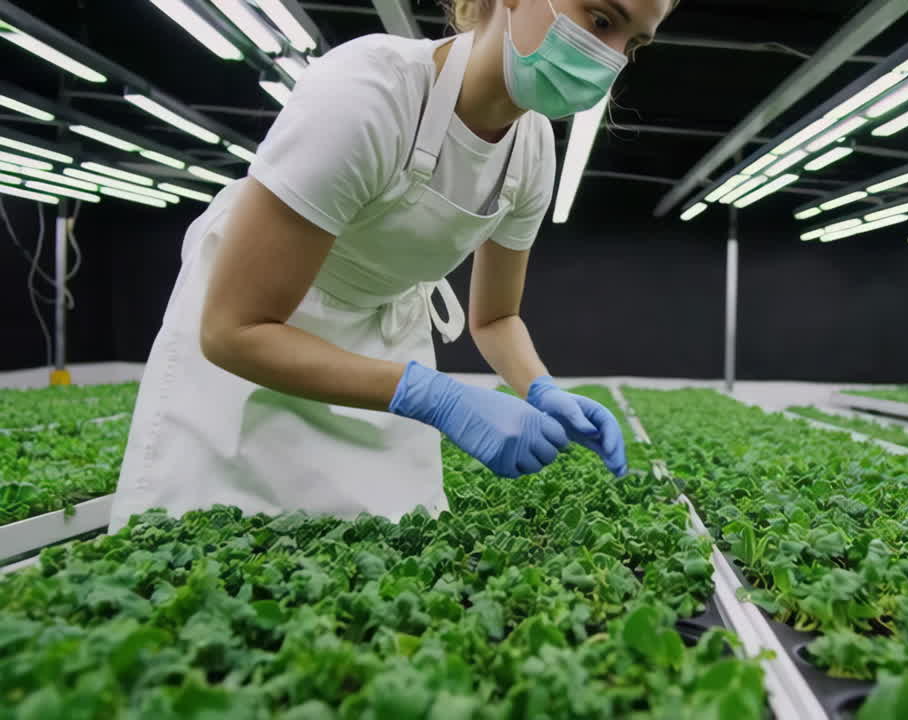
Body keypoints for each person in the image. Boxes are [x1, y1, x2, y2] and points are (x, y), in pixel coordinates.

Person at [107, 0, 674, 532]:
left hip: (378, 347)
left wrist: (541, 389)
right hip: (253, 354)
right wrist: (436, 397)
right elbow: (232, 330)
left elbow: (496, 318)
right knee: (217, 540)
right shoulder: (370, 92)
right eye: (601, 19)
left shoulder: (531, 152)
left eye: (635, 43)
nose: (611, 55)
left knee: (375, 552)